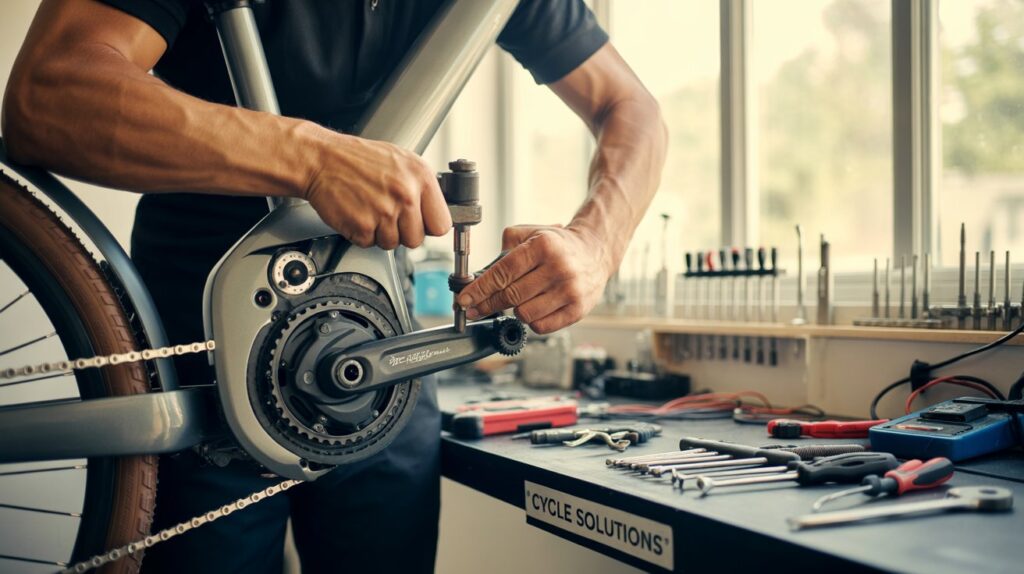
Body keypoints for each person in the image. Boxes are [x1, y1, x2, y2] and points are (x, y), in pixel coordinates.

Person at [2, 0, 667, 571]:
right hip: (198, 353)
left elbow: (630, 106)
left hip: (378, 352)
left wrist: (596, 242)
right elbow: (49, 95)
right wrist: (311, 157)